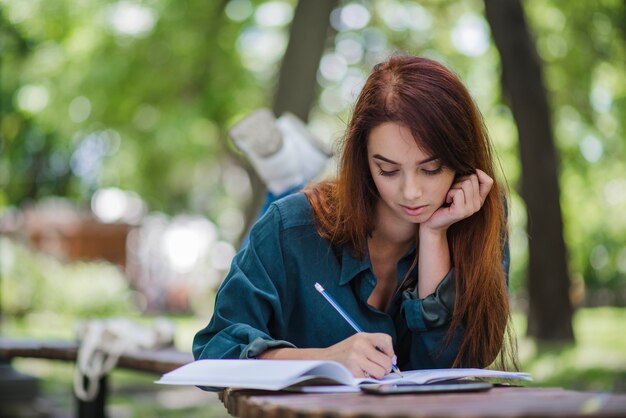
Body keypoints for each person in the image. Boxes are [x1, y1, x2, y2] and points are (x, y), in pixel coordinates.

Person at [193, 54, 517, 379]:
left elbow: (457, 366)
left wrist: (434, 236)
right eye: (387, 170)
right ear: (363, 161)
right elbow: (214, 352)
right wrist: (323, 360)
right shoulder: (292, 227)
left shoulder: (480, 218)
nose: (411, 192)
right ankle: (286, 177)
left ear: (462, 160)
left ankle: (287, 170)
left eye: (430, 169)